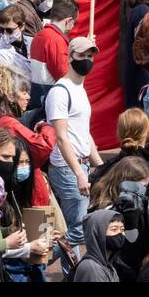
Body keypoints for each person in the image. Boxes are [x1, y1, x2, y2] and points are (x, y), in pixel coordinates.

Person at [45, 36, 102, 252]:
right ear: (70, 57)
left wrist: (97, 163)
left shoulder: (80, 89)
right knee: (78, 230)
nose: (87, 60)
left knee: (74, 227)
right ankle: (40, 262)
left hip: (81, 164)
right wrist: (79, 172)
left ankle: (72, 273)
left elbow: (83, 132)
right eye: (81, 55)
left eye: (90, 56)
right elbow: (61, 137)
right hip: (67, 168)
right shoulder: (60, 91)